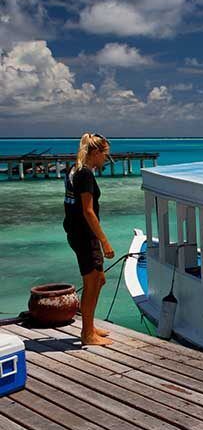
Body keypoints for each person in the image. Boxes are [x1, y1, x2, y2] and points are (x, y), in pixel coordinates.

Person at [63, 132, 115, 346]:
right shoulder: (85, 174)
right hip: (85, 235)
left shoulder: (74, 169)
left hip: (78, 232)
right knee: (92, 282)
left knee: (99, 279)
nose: (106, 160)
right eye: (105, 155)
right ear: (95, 152)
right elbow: (88, 211)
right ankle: (87, 334)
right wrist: (105, 241)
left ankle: (89, 325)